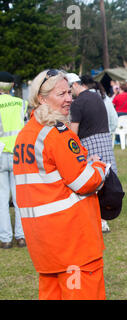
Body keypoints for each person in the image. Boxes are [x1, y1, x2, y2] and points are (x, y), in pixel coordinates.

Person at [13, 69, 107, 299]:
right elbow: (84, 182)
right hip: (73, 242)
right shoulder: (57, 133)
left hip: (43, 244)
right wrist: (99, 168)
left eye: (68, 92)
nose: (69, 99)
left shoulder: (25, 134)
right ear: (42, 98)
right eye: (61, 94)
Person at [68, 74, 118, 234]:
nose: (69, 94)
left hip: (88, 144)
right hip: (104, 140)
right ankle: (104, 217)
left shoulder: (77, 103)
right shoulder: (98, 97)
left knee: (90, 183)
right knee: (105, 181)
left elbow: (73, 133)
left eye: (69, 90)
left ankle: (98, 220)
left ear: (75, 85)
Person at [0, 71, 27, 249]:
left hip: (1, 154)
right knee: (20, 198)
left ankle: (5, 238)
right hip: (19, 154)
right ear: (11, 86)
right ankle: (21, 236)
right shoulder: (21, 103)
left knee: (2, 199)